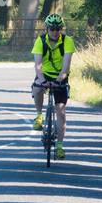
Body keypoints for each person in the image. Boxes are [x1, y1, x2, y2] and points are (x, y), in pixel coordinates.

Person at [31, 13, 73, 159]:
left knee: (61, 111)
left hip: (60, 75)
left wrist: (60, 79)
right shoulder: (40, 41)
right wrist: (42, 80)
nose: (55, 31)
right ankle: (38, 116)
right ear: (47, 28)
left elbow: (66, 67)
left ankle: (60, 147)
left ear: (61, 29)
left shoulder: (67, 41)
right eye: (52, 28)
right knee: (36, 88)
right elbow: (38, 65)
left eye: (58, 28)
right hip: (45, 73)